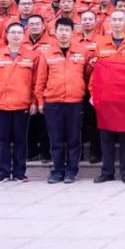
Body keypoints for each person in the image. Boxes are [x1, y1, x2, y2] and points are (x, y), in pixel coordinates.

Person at [35, 17, 93, 184]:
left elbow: (88, 75)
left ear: (72, 32)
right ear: (55, 32)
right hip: (53, 102)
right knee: (56, 139)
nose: (63, 33)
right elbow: (41, 80)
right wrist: (40, 101)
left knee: (74, 139)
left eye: (67, 30)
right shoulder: (47, 53)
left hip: (75, 102)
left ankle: (71, 171)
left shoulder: (82, 51)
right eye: (60, 30)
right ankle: (57, 170)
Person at [0, 23, 41, 183]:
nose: (16, 35)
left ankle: (19, 172)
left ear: (24, 36)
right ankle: (2, 172)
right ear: (7, 35)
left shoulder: (33, 56)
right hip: (0, 104)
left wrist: (34, 102)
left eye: (19, 33)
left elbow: (36, 82)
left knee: (20, 140)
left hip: (22, 104)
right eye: (13, 32)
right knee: (2, 140)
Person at [93, 10, 125, 183]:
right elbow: (95, 70)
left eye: (120, 19)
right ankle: (107, 172)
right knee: (106, 136)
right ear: (109, 22)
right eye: (114, 19)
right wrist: (93, 92)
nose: (117, 22)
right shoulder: (101, 42)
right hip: (105, 95)